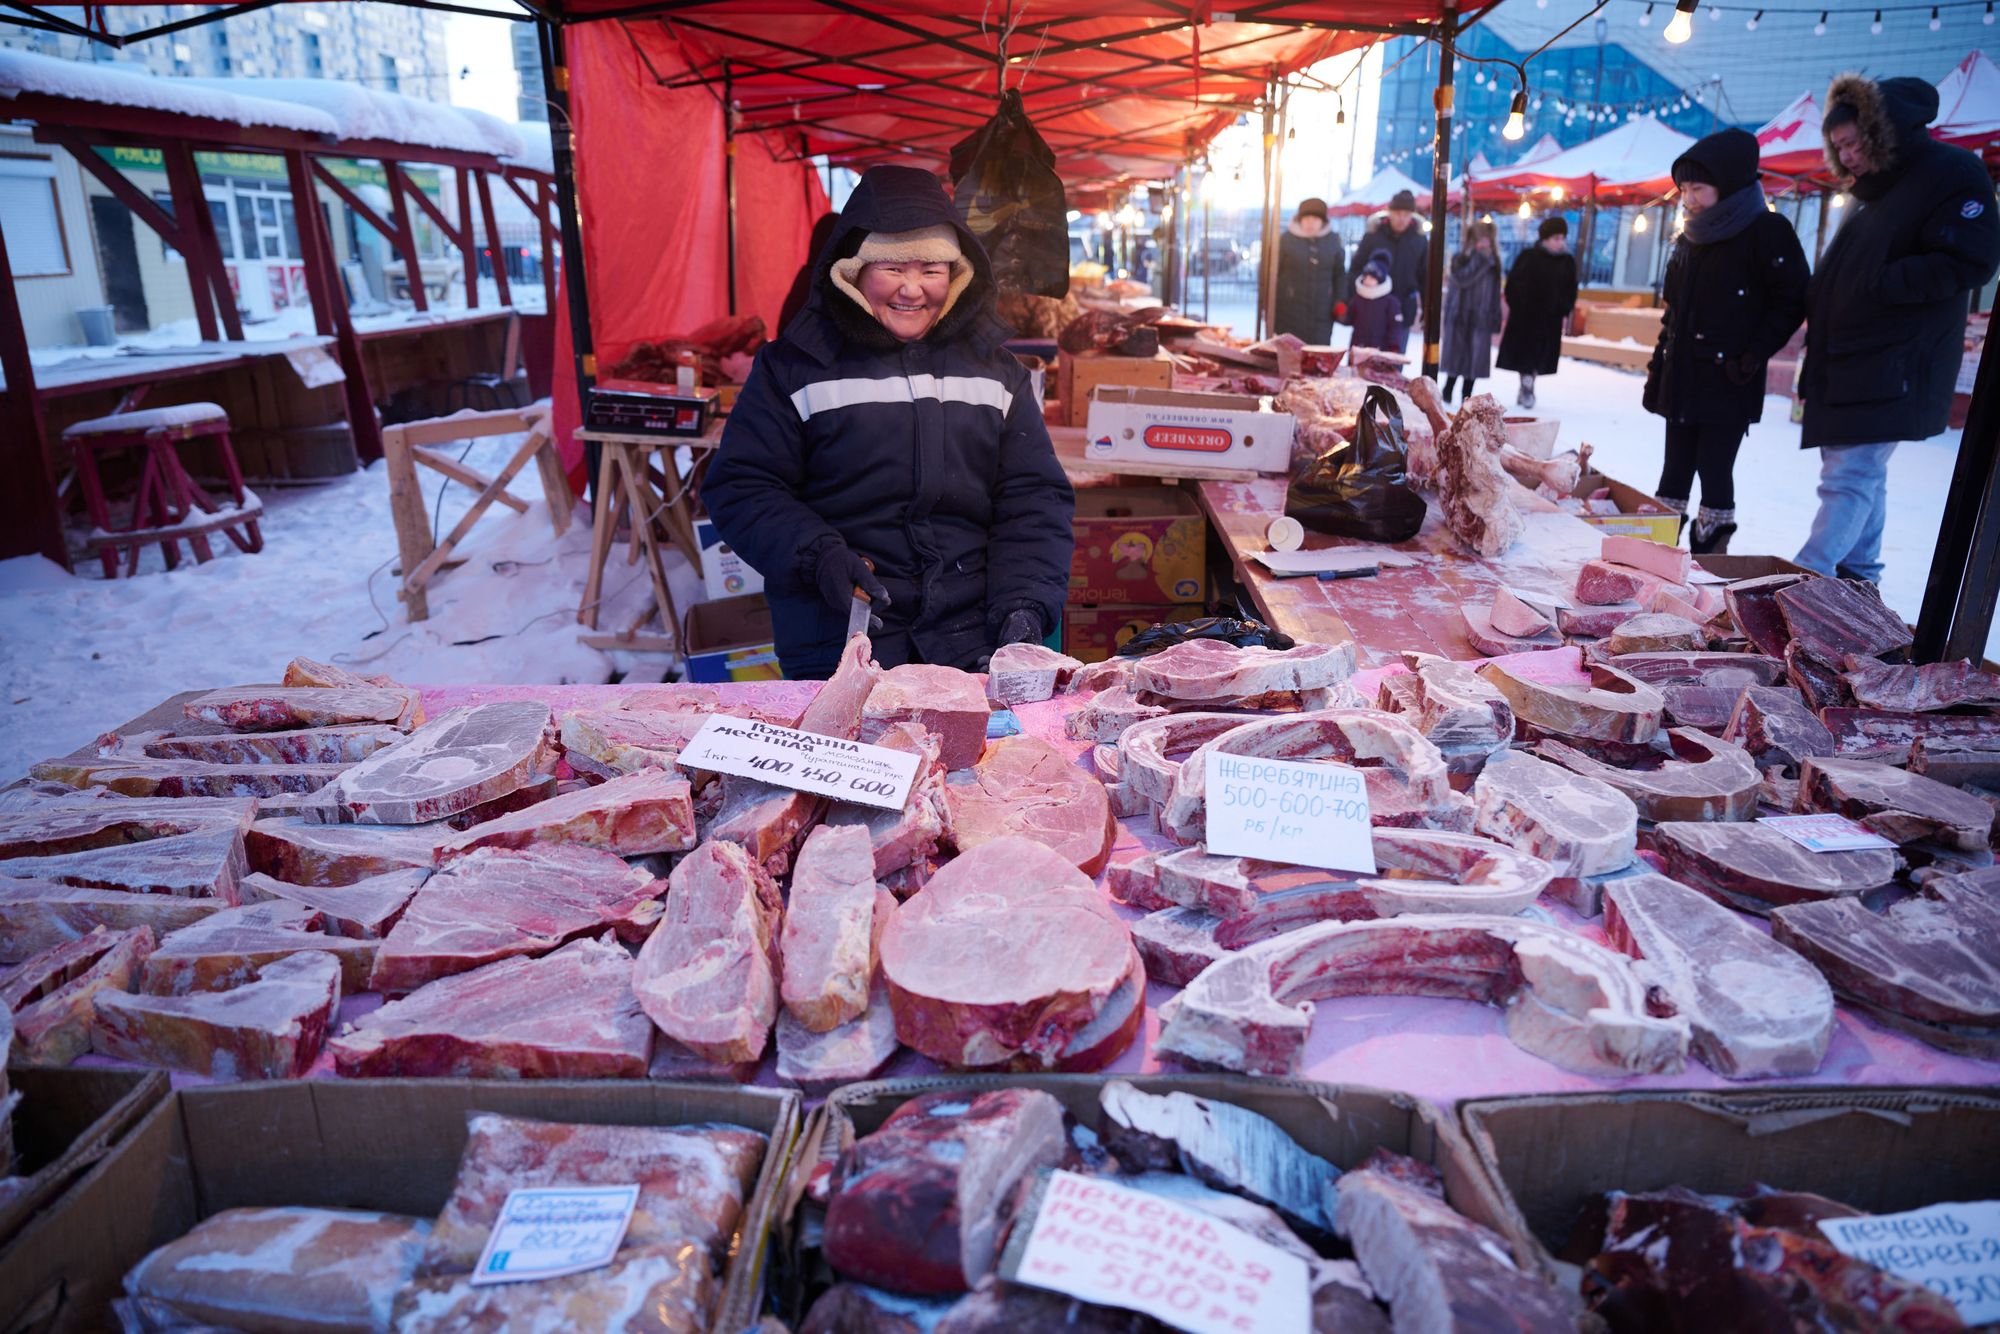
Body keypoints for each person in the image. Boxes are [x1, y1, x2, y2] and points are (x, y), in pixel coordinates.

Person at [702, 165, 1075, 679]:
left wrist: (1024, 604)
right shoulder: (793, 368)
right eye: (893, 269)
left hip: (972, 639)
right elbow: (743, 486)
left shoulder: (997, 373)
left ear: (959, 273)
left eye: (932, 269)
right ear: (853, 271)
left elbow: (1033, 498)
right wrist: (819, 556)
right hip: (838, 634)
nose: (913, 290)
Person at [1795, 73, 2000, 584]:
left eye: (1853, 142)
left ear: (1882, 130)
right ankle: (1860, 579)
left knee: (1850, 475)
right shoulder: (1875, 194)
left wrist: (1880, 284)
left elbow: (1972, 259)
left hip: (1897, 361)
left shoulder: (1950, 173)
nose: (1846, 155)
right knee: (1861, 474)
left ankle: (1803, 580)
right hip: (1852, 360)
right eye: (1837, 146)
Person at [1642, 128, 1809, 555]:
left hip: (1728, 381)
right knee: (1672, 473)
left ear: (1730, 184)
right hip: (1680, 380)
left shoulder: (1767, 232)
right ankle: (1656, 565)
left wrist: (1752, 354)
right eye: (1684, 189)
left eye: (1698, 188)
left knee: (1716, 473)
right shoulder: (1688, 239)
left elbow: (1792, 300)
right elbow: (1673, 313)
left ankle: (1709, 565)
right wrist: (1657, 370)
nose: (1688, 199)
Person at [1496, 217, 1578, 410]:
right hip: (1525, 318)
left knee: (1539, 356)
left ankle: (1527, 384)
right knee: (1525, 355)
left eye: (1562, 238)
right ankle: (1526, 385)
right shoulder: (1529, 257)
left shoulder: (1566, 261)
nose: (1560, 242)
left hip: (1550, 319)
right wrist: (1518, 304)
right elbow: (1513, 284)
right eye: (1556, 238)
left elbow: (1570, 289)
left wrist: (1563, 307)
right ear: (1545, 238)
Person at [1350, 189, 1428, 354]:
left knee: (1394, 364)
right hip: (1370, 311)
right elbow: (1355, 268)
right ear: (1390, 212)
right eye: (1398, 213)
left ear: (1412, 216)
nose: (1401, 218)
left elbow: (1425, 276)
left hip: (1403, 310)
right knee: (1363, 364)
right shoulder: (1373, 237)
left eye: (1406, 214)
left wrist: (1427, 309)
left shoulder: (1419, 240)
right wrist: (1352, 299)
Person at [1439, 219, 1502, 402]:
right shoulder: (1462, 259)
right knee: (1456, 356)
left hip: (1481, 317)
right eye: (1480, 239)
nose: (1484, 244)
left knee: (1474, 360)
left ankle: (1467, 395)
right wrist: (1481, 260)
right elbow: (1462, 280)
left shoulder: (1494, 262)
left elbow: (1495, 292)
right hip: (1460, 315)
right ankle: (1447, 389)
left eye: (1487, 239)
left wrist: (1494, 316)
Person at [1272, 197, 1345, 344]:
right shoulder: (1286, 240)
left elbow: (1340, 275)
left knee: (1317, 359)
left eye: (1315, 219)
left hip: (1322, 315)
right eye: (1307, 218)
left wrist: (1340, 301)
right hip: (1289, 312)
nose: (1310, 223)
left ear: (1323, 221)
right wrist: (1268, 305)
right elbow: (1272, 274)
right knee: (1290, 358)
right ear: (1300, 219)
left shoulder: (1333, 241)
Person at [1345, 257, 1403, 352]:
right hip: (1358, 347)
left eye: (1372, 278)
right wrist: (1341, 313)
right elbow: (1348, 319)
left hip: (1381, 349)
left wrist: (1394, 345)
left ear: (1380, 280)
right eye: (1365, 277)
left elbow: (1395, 327)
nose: (1367, 280)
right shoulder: (1357, 299)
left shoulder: (1391, 302)